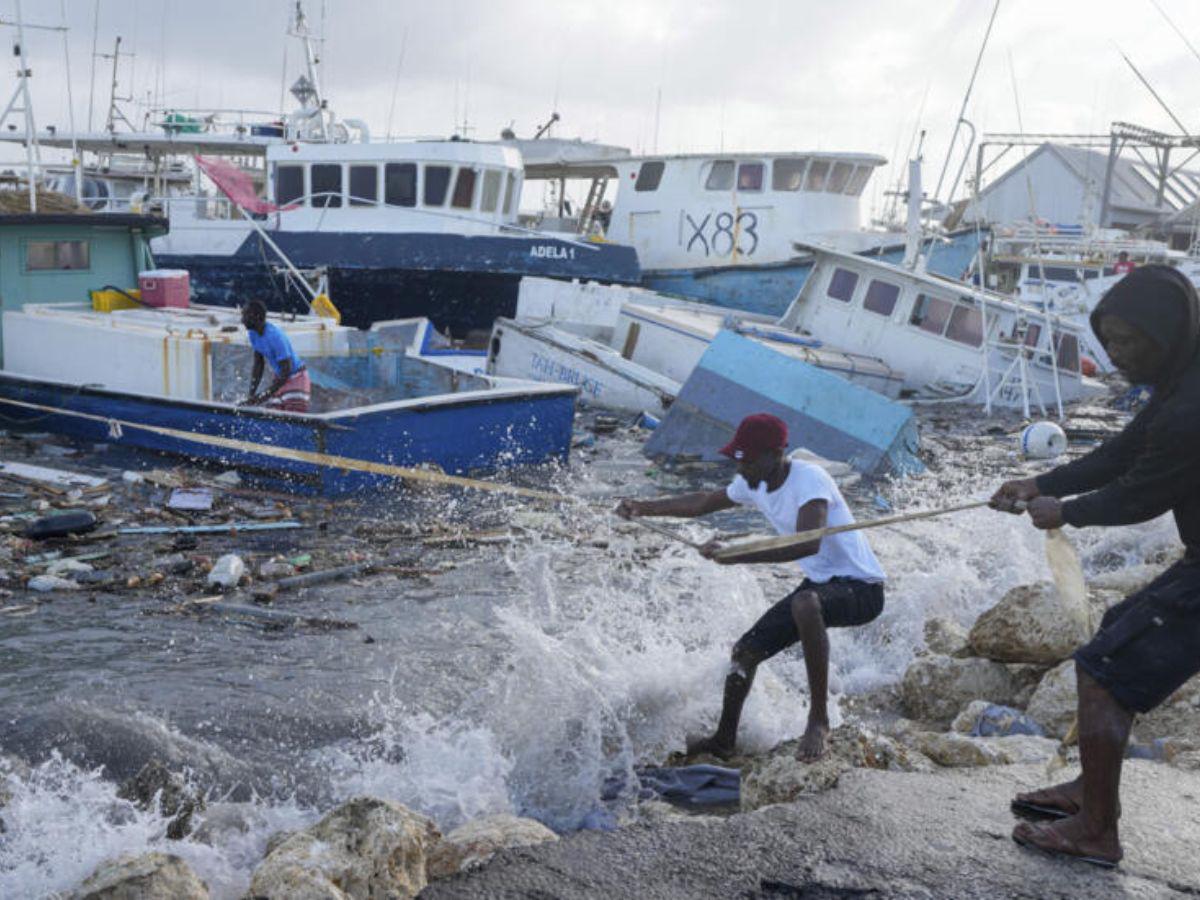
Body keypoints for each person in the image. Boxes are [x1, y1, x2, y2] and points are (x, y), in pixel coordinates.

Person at [990, 264, 1200, 868]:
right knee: (1116, 630)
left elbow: (1140, 495)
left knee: (1104, 670)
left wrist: (1064, 511)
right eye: (1107, 344)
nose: (1115, 357)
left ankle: (1097, 831)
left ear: (1165, 333)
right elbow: (1126, 451)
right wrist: (1041, 481)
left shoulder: (1192, 405)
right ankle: (1089, 792)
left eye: (1127, 343)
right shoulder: (1181, 380)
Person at [616, 413, 886, 762]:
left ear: (777, 454)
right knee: (744, 653)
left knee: (805, 603)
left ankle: (818, 720)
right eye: (737, 460)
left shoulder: (810, 479)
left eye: (748, 461)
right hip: (821, 586)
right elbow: (702, 503)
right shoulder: (753, 482)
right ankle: (724, 740)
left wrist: (736, 555)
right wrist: (642, 508)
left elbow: (807, 543)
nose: (741, 470)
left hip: (862, 589)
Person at [240, 299, 311, 412]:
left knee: (292, 420)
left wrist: (264, 396)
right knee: (271, 416)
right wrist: (252, 394)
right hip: (280, 379)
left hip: (296, 378)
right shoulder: (253, 333)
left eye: (245, 315)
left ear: (256, 316)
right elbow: (258, 364)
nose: (242, 320)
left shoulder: (275, 337)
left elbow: (286, 370)